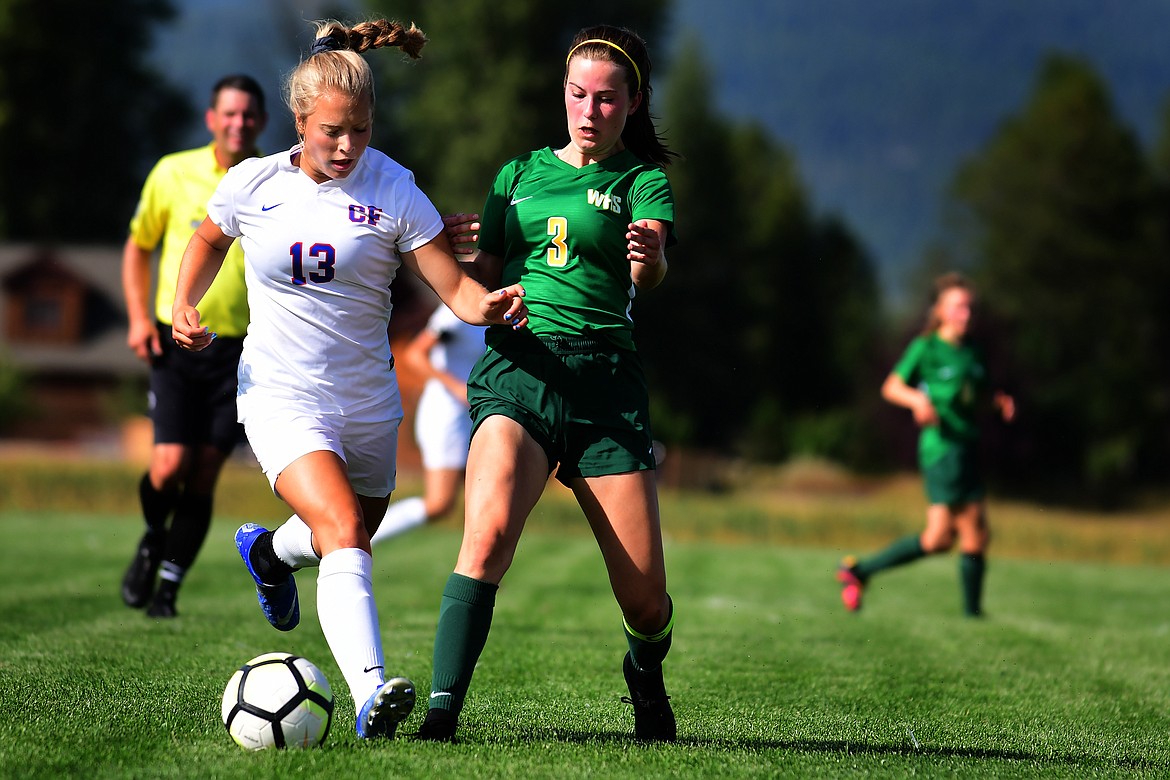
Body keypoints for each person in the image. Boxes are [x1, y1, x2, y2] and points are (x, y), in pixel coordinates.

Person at [169, 19, 528, 741]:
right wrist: (185, 302)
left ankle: (269, 553)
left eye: (360, 130)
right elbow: (208, 239)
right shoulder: (254, 184)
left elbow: (453, 290)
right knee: (343, 531)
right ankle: (371, 693)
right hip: (279, 395)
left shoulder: (394, 188)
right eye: (332, 131)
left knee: (351, 527)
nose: (346, 146)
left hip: (367, 401)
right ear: (299, 122)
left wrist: (487, 306)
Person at [414, 24, 679, 743]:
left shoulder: (641, 181)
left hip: (604, 389)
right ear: (563, 95)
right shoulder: (517, 175)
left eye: (605, 99)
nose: (589, 111)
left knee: (647, 602)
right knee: (489, 533)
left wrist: (649, 254)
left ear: (632, 103)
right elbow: (480, 284)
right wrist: (446, 248)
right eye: (577, 95)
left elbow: (645, 275)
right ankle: (441, 716)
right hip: (519, 373)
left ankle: (644, 673)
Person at [120, 74, 268, 619]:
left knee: (204, 471)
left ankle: (167, 591)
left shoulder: (271, 178)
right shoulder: (172, 173)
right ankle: (152, 536)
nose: (238, 123)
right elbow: (139, 249)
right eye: (228, 114)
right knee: (169, 465)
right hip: (175, 341)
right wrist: (138, 317)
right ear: (211, 119)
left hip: (239, 352)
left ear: (262, 123)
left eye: (248, 115)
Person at [837, 272, 1014, 617]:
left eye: (970, 307)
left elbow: (974, 397)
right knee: (973, 528)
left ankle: (860, 571)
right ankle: (973, 615)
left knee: (939, 540)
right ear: (940, 311)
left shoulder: (973, 352)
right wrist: (918, 401)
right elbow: (891, 387)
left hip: (967, 446)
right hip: (942, 448)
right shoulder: (927, 348)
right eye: (959, 307)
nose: (966, 314)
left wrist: (996, 403)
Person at [369, 299, 483, 545]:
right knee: (439, 503)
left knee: (485, 499)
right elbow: (415, 354)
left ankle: (483, 575)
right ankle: (356, 541)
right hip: (447, 414)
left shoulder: (498, 310)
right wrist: (457, 388)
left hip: (473, 414)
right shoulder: (457, 310)